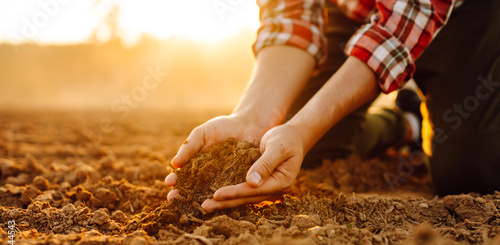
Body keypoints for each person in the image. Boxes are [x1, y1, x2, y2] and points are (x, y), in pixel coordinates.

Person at [166, 0, 500, 212]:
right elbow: (290, 14)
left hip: (461, 15)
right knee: (303, 148)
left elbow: (411, 15)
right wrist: (254, 116)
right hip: (352, 12)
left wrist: (303, 127)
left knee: (472, 171)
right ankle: (406, 123)